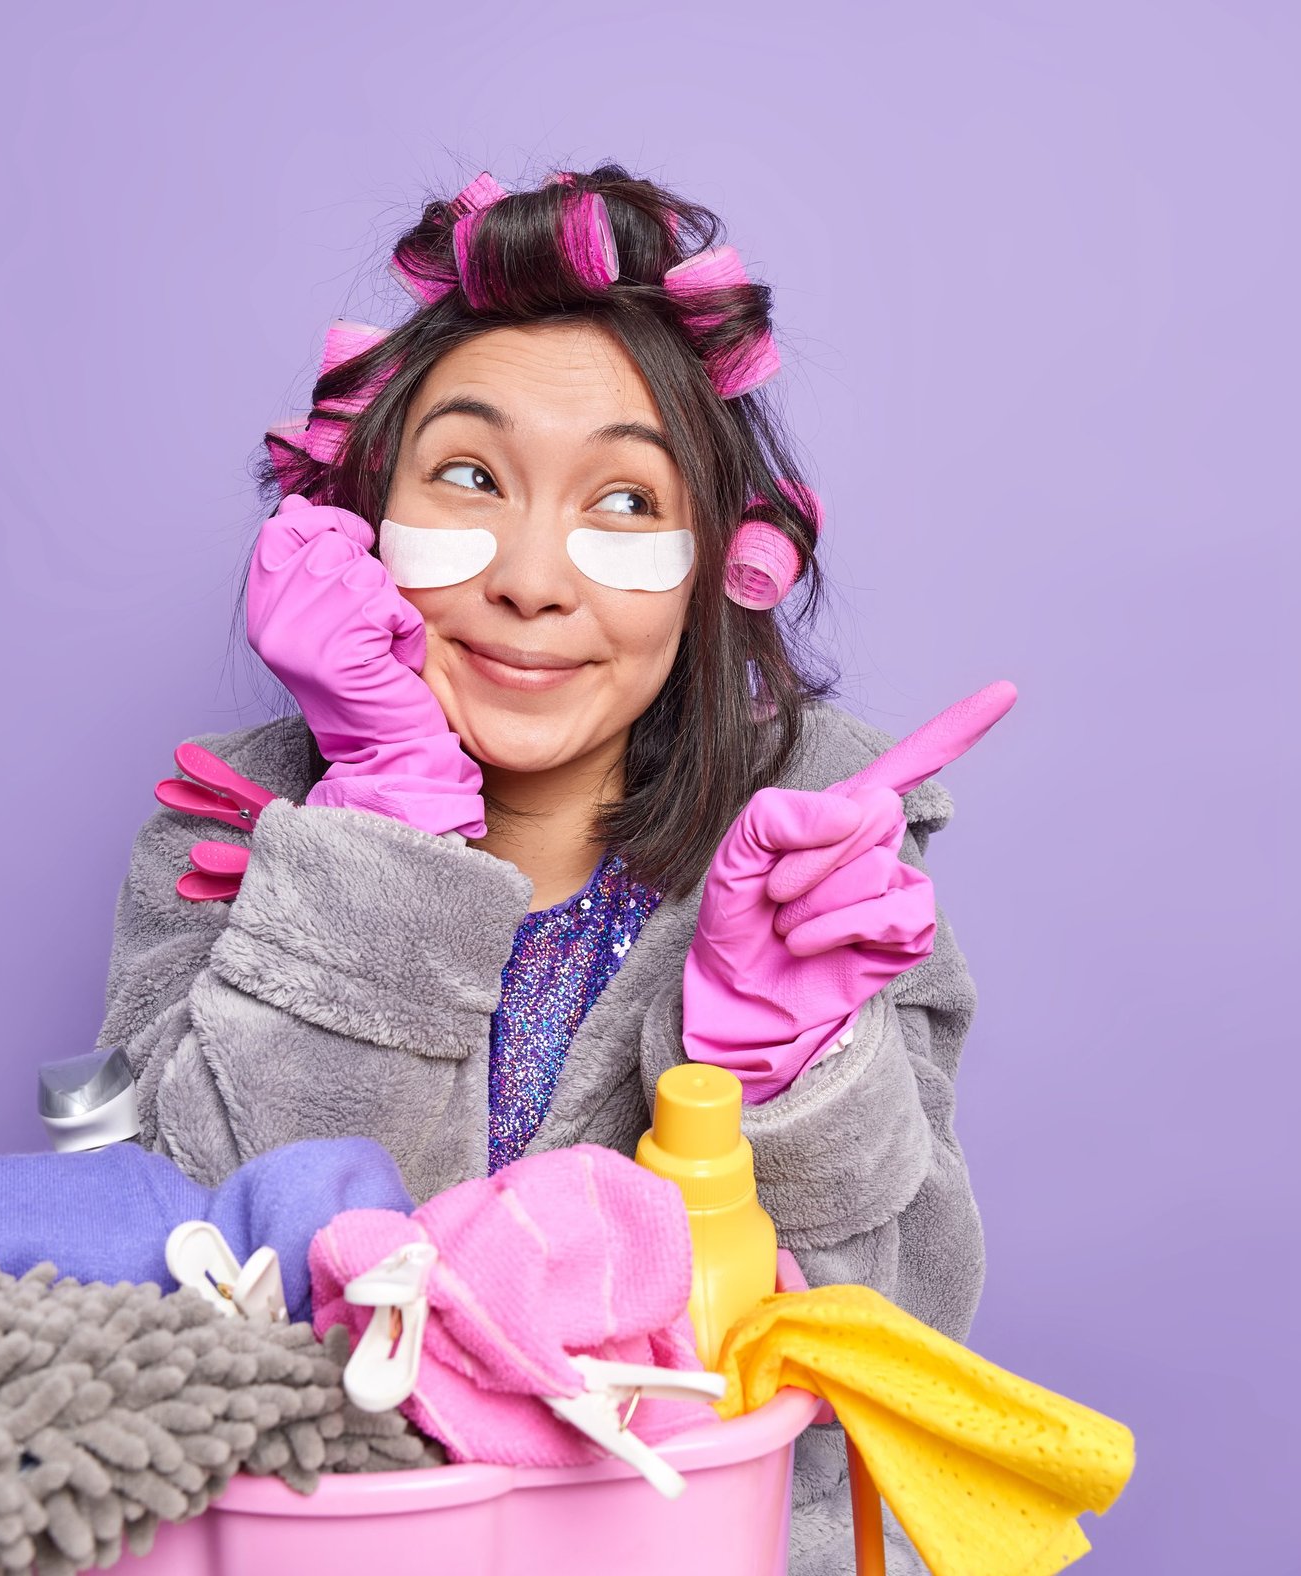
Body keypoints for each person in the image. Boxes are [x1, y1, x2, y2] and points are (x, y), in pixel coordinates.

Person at [94, 164, 996, 1572]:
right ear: (349, 525)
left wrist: (771, 1075)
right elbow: (188, 1314)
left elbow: (882, 1368)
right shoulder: (229, 840)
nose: (531, 576)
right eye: (468, 477)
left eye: (623, 502)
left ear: (716, 563)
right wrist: (389, 813)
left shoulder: (828, 861)